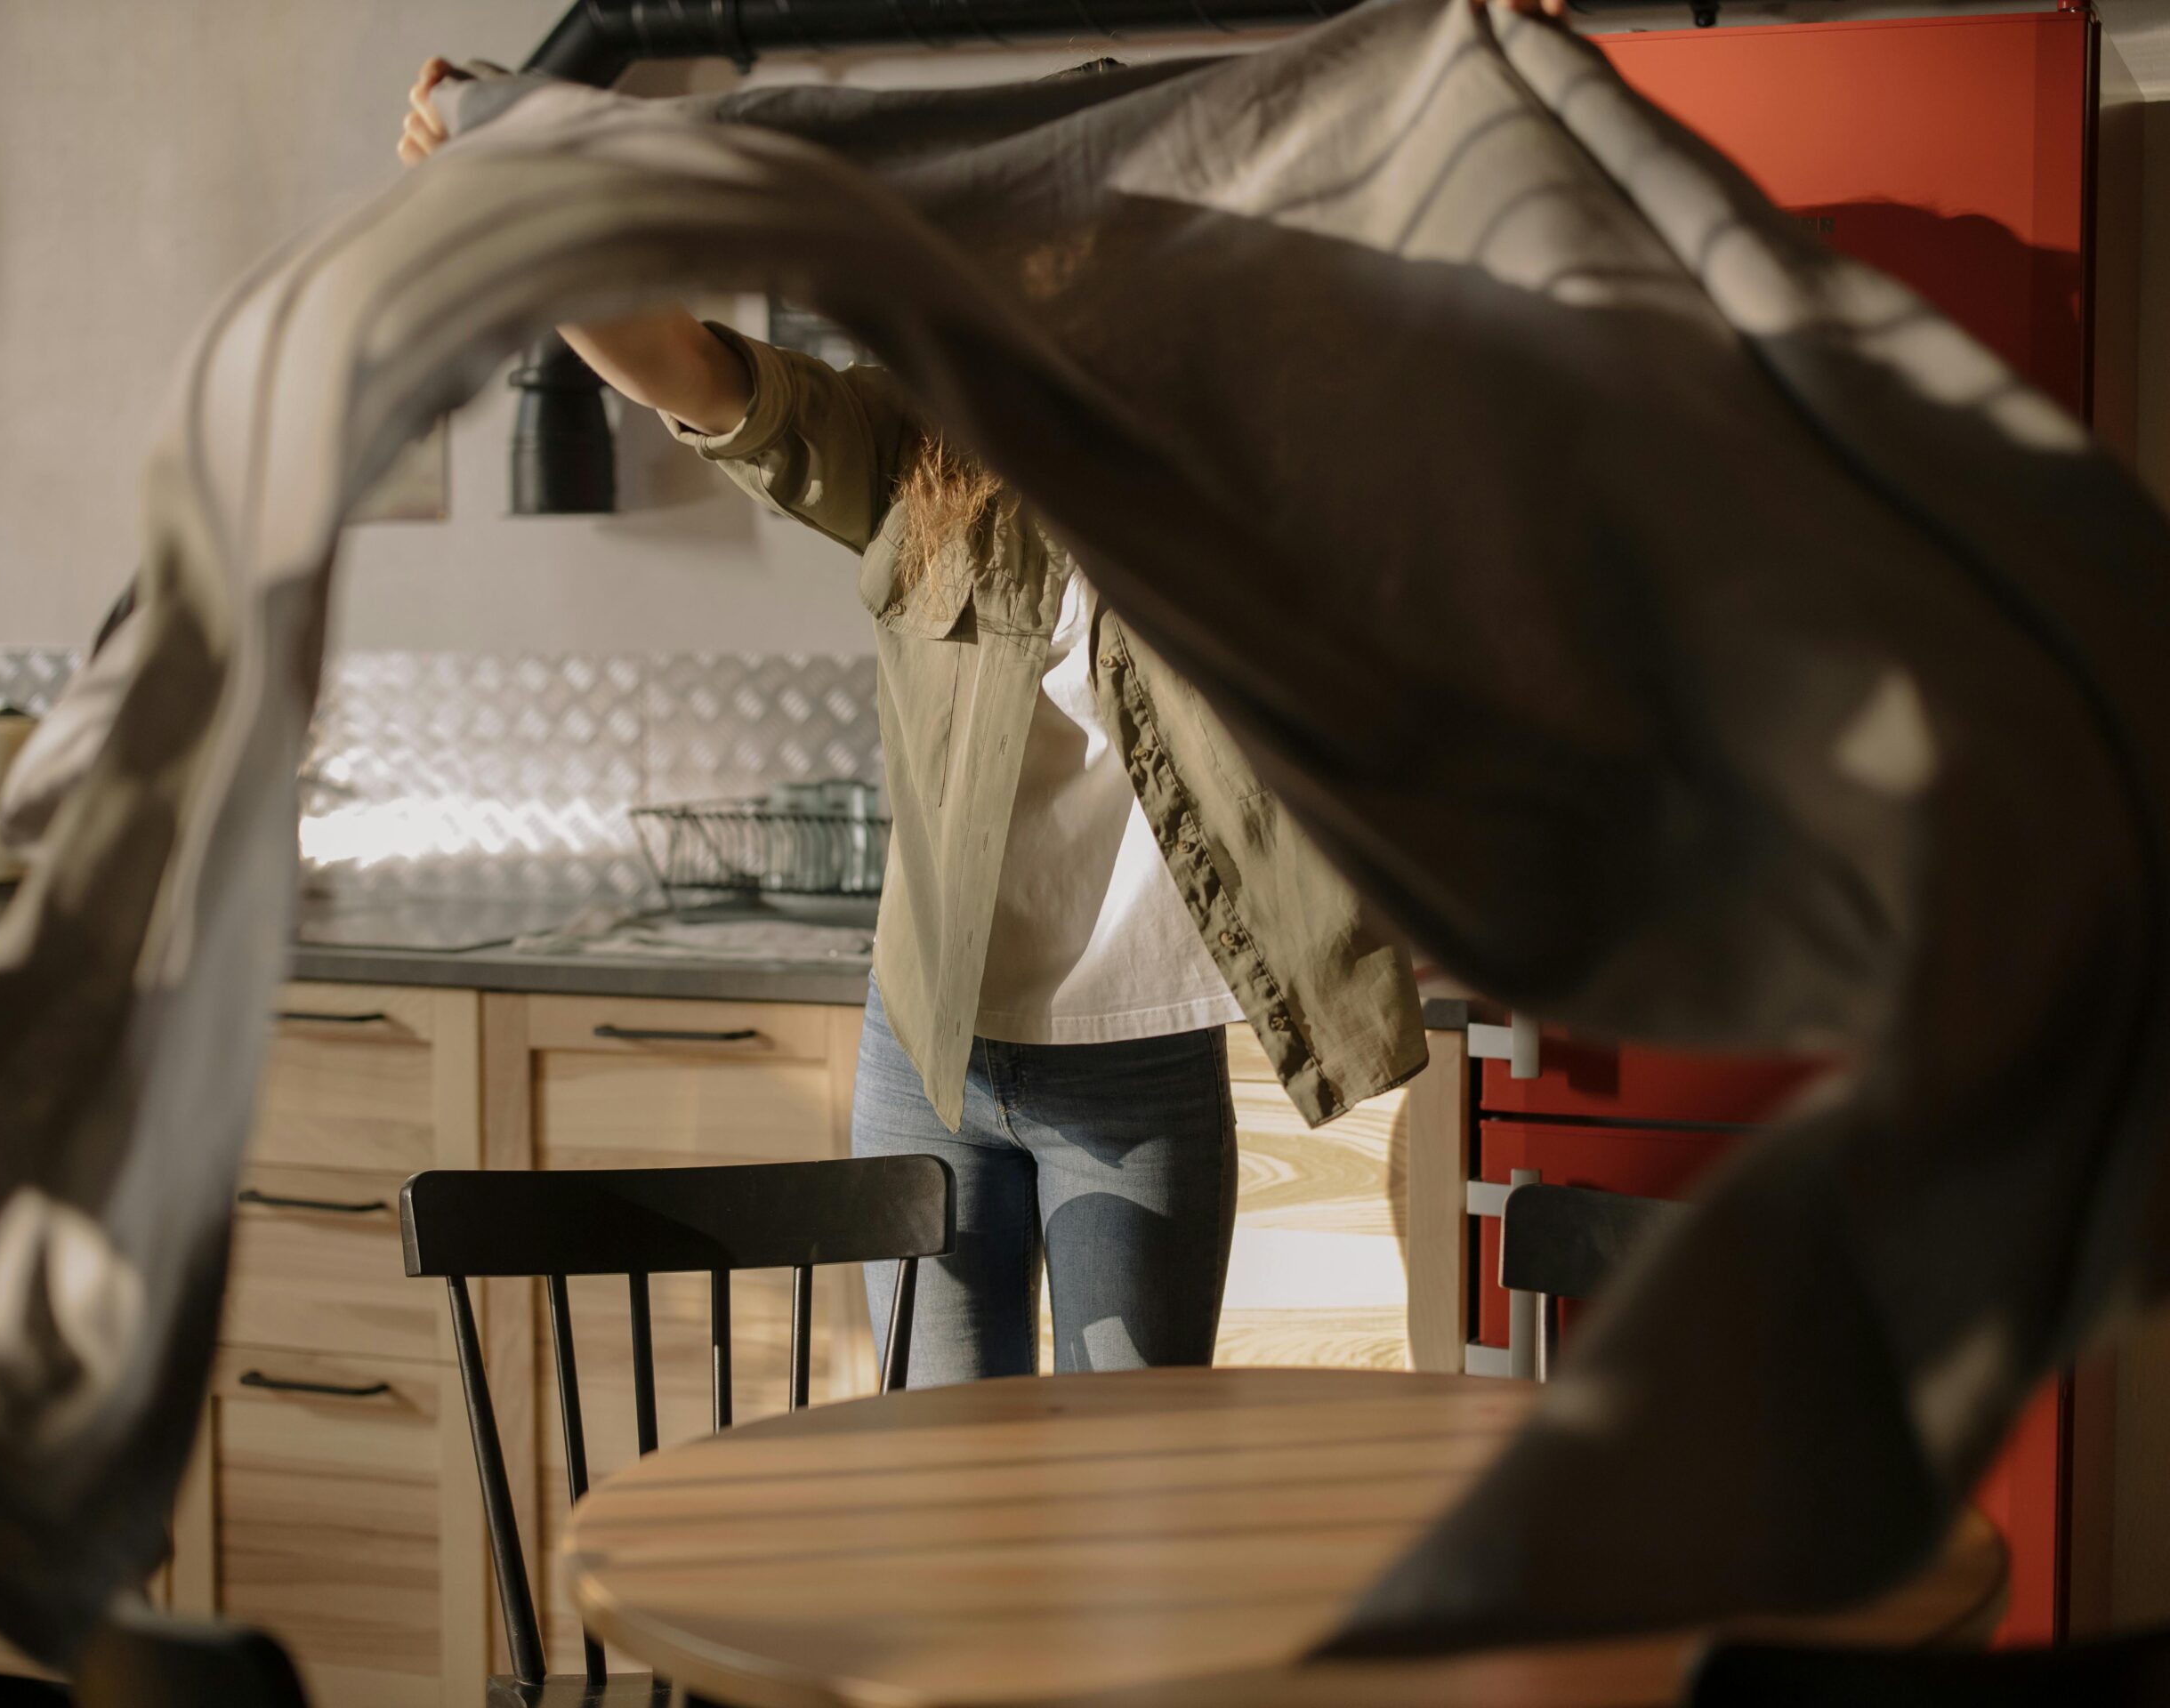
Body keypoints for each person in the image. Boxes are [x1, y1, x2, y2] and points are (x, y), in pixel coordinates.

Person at [398, 58, 1428, 1383]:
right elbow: (679, 365)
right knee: (936, 1482)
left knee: (1141, 1492)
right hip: (927, 1052)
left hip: (1137, 1070)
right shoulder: (915, 448)